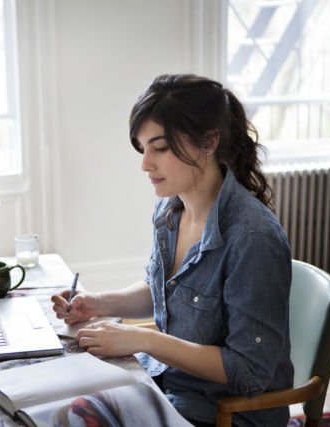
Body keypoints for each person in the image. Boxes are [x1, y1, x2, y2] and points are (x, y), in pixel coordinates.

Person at [51, 74, 293, 427]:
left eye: (159, 148)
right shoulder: (170, 211)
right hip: (170, 387)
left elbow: (249, 372)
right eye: (142, 148)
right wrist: (99, 304)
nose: (145, 164)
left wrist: (145, 339)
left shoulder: (252, 238)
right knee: (61, 399)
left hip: (226, 414)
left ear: (208, 141)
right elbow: (165, 291)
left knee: (73, 417)